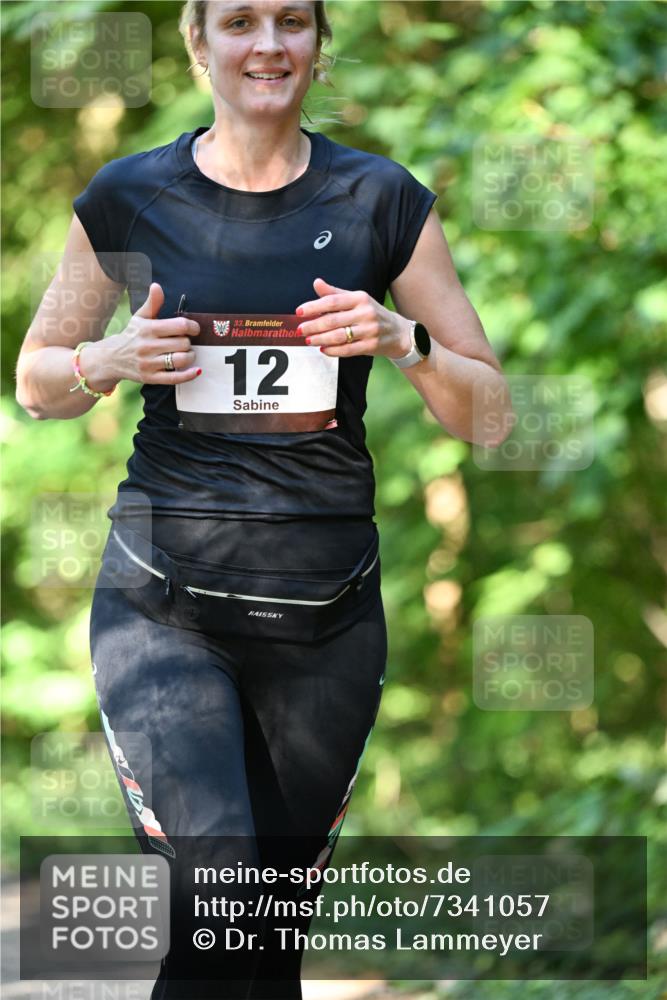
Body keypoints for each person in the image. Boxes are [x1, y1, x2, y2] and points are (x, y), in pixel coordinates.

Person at [15, 1, 511, 996]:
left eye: (292, 20)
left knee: (262, 947)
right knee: (222, 902)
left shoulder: (380, 199)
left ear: (319, 45)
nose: (269, 44)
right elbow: (36, 382)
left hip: (325, 623)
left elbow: (490, 413)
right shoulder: (129, 196)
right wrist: (107, 357)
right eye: (239, 21)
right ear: (198, 42)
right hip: (165, 607)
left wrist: (399, 341)